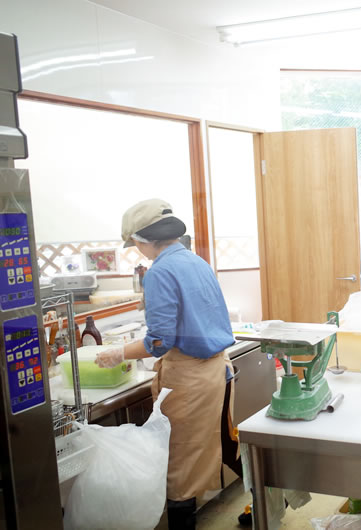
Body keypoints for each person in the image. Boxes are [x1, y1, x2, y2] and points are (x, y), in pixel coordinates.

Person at [95, 199, 237, 530]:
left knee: (179, 469)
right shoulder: (194, 261)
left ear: (143, 240)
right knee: (217, 450)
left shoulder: (159, 272)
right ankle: (264, 507)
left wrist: (118, 353)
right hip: (217, 370)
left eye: (135, 244)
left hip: (189, 377)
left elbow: (160, 341)